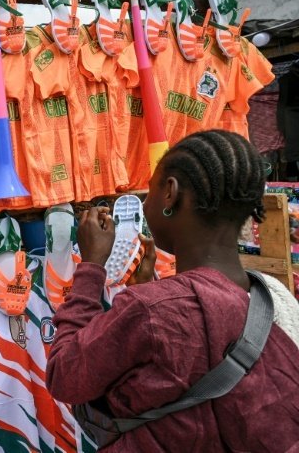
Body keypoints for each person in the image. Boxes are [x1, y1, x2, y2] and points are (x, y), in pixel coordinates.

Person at [47, 130, 299, 452]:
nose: (146, 202)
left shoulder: (149, 311)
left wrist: (91, 268)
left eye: (149, 191)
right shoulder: (276, 297)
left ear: (170, 193)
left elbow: (64, 375)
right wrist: (154, 290)